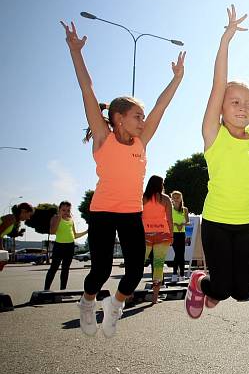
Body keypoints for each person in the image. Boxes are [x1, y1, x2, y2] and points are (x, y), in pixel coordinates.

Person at [61, 20, 184, 337]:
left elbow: (161, 106)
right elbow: (87, 89)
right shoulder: (104, 137)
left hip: (131, 212)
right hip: (102, 211)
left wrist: (177, 79)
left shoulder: (142, 142)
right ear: (118, 119)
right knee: (100, 269)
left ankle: (114, 307)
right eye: (137, 116)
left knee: (134, 269)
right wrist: (76, 52)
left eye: (142, 117)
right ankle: (87, 302)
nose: (143, 121)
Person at [184, 6, 249, 319]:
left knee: (244, 291)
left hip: (248, 223)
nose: (243, 108)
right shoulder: (214, 135)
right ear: (220, 107)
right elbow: (217, 83)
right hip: (218, 221)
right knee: (220, 289)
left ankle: (215, 286)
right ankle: (201, 283)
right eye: (235, 102)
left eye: (248, 105)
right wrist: (226, 40)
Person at [142, 176, 174, 304]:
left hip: (145, 234)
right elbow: (169, 219)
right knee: (158, 265)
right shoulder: (165, 199)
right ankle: (155, 298)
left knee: (137, 264)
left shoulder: (143, 198)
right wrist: (171, 235)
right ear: (160, 185)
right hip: (163, 234)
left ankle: (128, 295)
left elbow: (138, 216)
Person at [44, 201, 87, 291]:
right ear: (59, 210)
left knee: (65, 269)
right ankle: (46, 289)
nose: (66, 212)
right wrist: (59, 218)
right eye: (63, 210)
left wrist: (87, 231)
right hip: (59, 246)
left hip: (70, 246)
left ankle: (63, 290)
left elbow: (75, 235)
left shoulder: (71, 220)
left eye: (68, 210)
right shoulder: (55, 218)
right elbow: (52, 231)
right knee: (54, 268)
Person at [170, 191, 190, 281]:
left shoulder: (185, 209)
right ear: (171, 198)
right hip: (173, 234)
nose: (176, 199)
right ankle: (174, 274)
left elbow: (188, 222)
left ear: (181, 198)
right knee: (177, 254)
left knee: (181, 255)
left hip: (182, 234)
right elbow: (167, 221)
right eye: (174, 197)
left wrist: (182, 224)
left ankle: (181, 275)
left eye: (178, 197)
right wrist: (175, 224)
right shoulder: (170, 209)